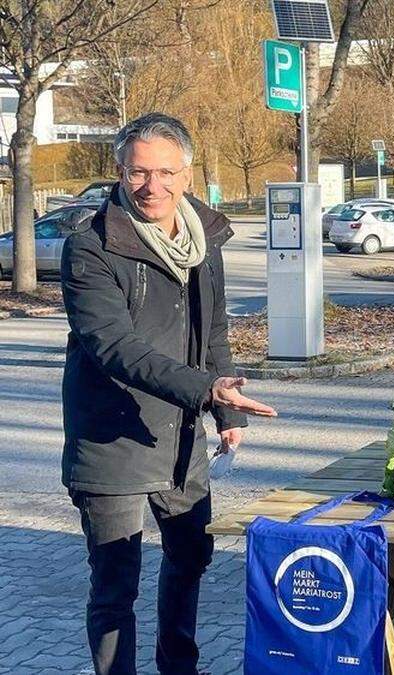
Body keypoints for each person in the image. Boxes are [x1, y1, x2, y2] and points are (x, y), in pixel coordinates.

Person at [61, 113, 277, 675]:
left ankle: (178, 667)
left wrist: (226, 407)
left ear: (186, 174)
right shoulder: (89, 247)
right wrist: (207, 391)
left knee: (189, 559)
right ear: (119, 170)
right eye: (138, 172)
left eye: (164, 172)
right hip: (112, 442)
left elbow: (215, 332)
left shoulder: (204, 236)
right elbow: (114, 347)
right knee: (116, 587)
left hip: (182, 436)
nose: (151, 186)